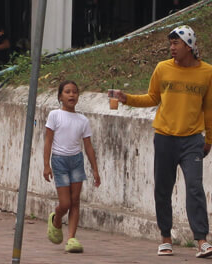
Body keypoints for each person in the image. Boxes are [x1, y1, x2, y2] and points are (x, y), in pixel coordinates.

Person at [110, 25, 212, 258]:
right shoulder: (162, 68)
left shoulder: (207, 72)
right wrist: (127, 99)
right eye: (171, 44)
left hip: (192, 140)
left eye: (176, 44)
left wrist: (209, 139)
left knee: (195, 187)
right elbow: (153, 97)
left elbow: (209, 108)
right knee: (163, 189)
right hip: (165, 137)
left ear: (189, 46)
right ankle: (166, 238)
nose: (171, 48)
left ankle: (202, 240)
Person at [43, 80, 100, 253]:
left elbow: (88, 146)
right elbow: (48, 140)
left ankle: (72, 238)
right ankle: (56, 218)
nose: (71, 95)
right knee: (65, 203)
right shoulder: (54, 115)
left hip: (76, 161)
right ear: (60, 96)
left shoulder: (82, 120)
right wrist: (46, 165)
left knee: (75, 202)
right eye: (67, 92)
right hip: (59, 161)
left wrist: (95, 170)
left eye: (74, 92)